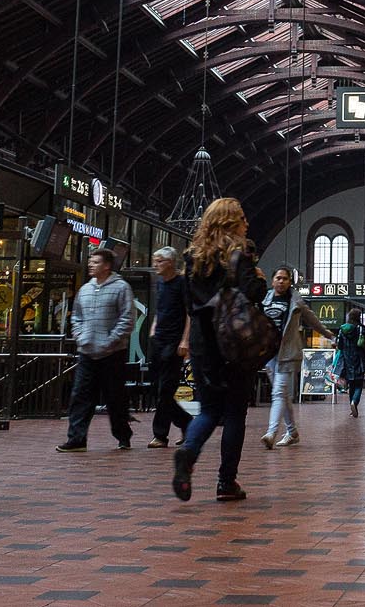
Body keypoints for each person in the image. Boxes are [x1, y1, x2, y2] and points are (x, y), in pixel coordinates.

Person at [175, 198, 266, 503]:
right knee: (235, 413)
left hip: (203, 342)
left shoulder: (192, 258)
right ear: (230, 222)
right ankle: (226, 482)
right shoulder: (239, 254)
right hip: (235, 344)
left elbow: (189, 304)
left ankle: (189, 451)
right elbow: (253, 293)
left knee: (209, 410)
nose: (247, 223)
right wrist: (259, 279)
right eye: (242, 218)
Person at [57, 247, 137, 452]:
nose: (91, 265)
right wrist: (81, 337)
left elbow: (127, 319)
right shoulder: (85, 289)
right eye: (90, 261)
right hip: (87, 353)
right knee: (80, 396)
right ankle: (76, 439)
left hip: (113, 354)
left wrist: (110, 341)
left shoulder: (121, 288)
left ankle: (123, 435)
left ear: (107, 265)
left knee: (115, 397)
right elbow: (76, 317)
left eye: (96, 262)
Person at [260, 266, 331, 448]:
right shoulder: (264, 299)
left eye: (285, 278)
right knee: (282, 396)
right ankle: (292, 433)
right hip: (269, 354)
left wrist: (327, 334)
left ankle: (271, 433)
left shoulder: (295, 301)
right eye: (278, 278)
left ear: (290, 282)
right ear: (272, 280)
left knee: (277, 392)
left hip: (288, 354)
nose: (281, 281)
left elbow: (311, 319)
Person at [146, 247, 192, 449]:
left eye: (159, 261)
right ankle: (186, 422)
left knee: (165, 389)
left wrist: (185, 341)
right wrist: (154, 326)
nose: (156, 264)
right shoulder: (160, 284)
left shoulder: (182, 284)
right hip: (160, 339)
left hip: (175, 342)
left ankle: (160, 435)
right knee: (157, 387)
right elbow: (160, 308)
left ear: (171, 263)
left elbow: (189, 313)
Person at [335, 309, 365, 416]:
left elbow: (340, 346)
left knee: (351, 385)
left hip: (347, 361)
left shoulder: (342, 329)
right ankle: (354, 402)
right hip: (359, 360)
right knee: (358, 385)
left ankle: (352, 407)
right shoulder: (361, 329)